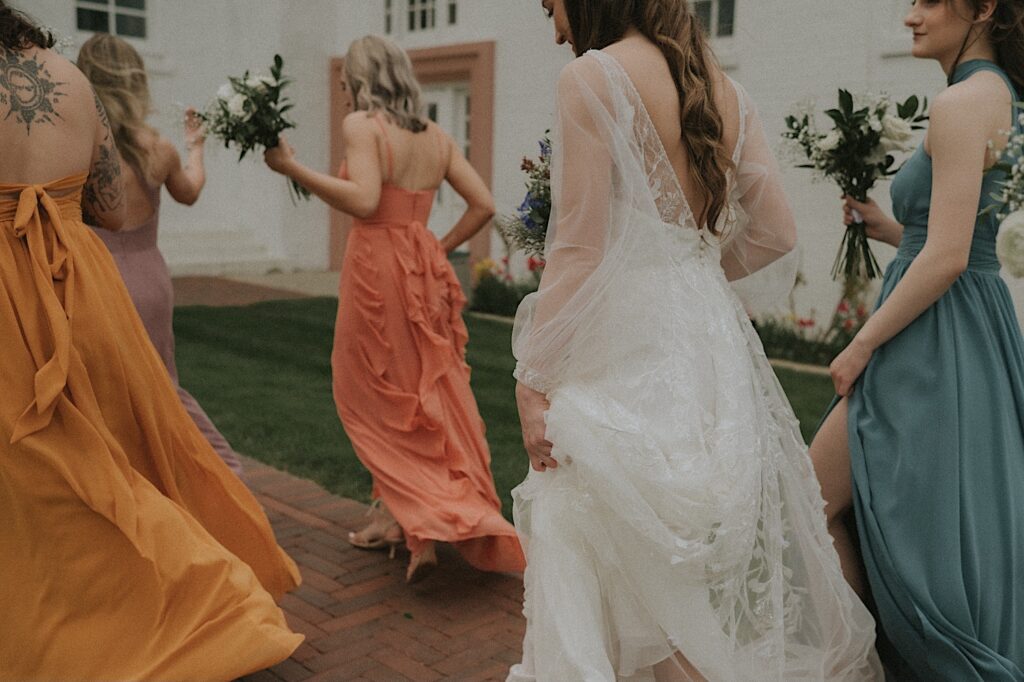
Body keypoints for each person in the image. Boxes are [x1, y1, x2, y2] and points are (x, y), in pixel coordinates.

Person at [508, 0, 883, 679]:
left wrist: (530, 377)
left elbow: (579, 249)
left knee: (590, 526)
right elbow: (776, 233)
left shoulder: (592, 77)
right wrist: (691, 272)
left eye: (550, 2)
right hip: (706, 343)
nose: (549, 14)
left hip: (624, 341)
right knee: (658, 562)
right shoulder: (725, 92)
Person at [0, 5, 301, 679]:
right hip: (82, 283)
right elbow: (107, 203)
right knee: (116, 449)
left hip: (10, 292)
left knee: (32, 477)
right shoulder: (72, 83)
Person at [811, 0, 1024, 678]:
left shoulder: (963, 102)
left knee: (812, 500)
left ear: (983, 7)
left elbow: (950, 256)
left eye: (928, 0)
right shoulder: (1003, 96)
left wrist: (860, 344)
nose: (910, 16)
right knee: (915, 517)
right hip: (963, 324)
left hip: (932, 340)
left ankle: (888, 664)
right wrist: (890, 230)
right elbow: (957, 241)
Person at [264, 34, 525, 583]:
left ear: (361, 81)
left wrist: (292, 168)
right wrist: (438, 244)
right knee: (419, 391)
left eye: (345, 85)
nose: (344, 95)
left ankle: (420, 520)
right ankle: (410, 525)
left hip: (378, 268)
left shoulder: (363, 126)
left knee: (370, 394)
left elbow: (362, 199)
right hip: (422, 266)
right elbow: (484, 205)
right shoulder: (437, 135)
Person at [76, 33, 243, 475]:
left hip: (94, 279)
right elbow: (190, 192)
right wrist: (196, 148)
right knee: (162, 387)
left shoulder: (79, 149)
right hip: (150, 279)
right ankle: (211, 473)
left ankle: (197, 477)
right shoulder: (158, 147)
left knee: (105, 392)